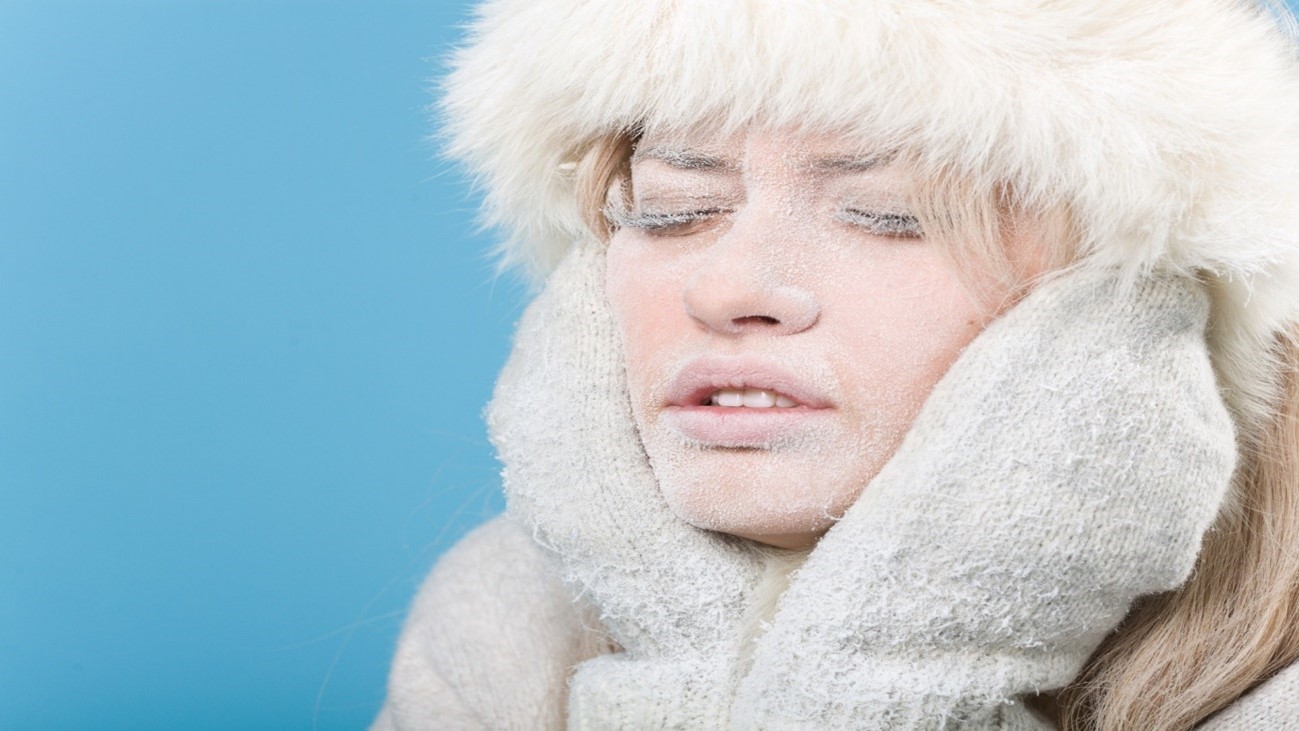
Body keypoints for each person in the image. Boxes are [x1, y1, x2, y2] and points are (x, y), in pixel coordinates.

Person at [374, 0, 1299, 728]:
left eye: (890, 213)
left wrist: (901, 673)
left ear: (1153, 302)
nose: (726, 287)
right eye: (670, 209)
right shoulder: (503, 620)